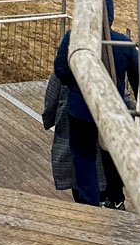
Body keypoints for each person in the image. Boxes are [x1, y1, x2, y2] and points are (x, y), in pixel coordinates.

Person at [53, 0, 138, 208]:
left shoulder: (73, 38)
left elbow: (61, 71)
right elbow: (139, 81)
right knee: (112, 155)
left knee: (83, 156)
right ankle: (117, 199)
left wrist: (76, 84)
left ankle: (90, 206)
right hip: (113, 109)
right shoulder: (124, 43)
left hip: (80, 109)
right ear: (110, 15)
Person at [43, 73, 106, 202]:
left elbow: (51, 99)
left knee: (79, 180)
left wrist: (48, 119)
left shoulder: (67, 62)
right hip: (103, 139)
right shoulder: (107, 66)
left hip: (72, 131)